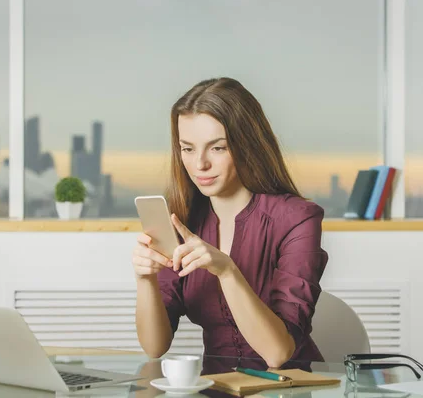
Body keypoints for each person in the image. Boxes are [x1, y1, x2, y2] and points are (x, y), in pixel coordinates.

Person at [132, 77, 328, 368]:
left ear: (247, 145)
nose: (200, 164)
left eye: (218, 148)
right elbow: (154, 347)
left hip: (286, 389)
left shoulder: (298, 218)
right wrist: (145, 279)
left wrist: (226, 271)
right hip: (214, 387)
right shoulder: (183, 220)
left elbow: (277, 353)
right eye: (187, 148)